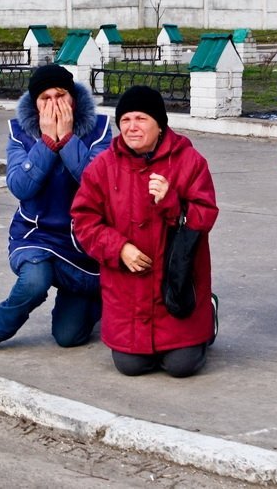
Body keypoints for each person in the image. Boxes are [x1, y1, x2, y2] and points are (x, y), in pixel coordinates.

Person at [71, 86, 218, 378]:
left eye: (141, 118)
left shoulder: (189, 161)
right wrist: (118, 248)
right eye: (125, 120)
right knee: (130, 365)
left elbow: (206, 215)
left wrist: (172, 202)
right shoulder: (102, 167)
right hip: (128, 289)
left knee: (182, 366)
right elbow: (83, 221)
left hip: (175, 282)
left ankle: (208, 317)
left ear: (159, 124)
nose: (132, 127)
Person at [0, 65, 112, 355]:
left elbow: (98, 185)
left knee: (68, 336)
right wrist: (46, 143)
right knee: (35, 280)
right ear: (34, 103)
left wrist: (69, 140)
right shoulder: (20, 133)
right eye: (45, 98)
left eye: (61, 96)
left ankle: (94, 297)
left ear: (74, 99)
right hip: (36, 234)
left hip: (80, 243)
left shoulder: (99, 131)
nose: (54, 105)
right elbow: (20, 186)